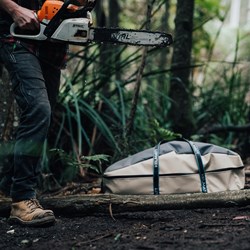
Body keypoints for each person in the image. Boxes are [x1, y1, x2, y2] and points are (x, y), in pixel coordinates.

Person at [0, 0, 89, 226]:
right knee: (38, 108)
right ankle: (22, 199)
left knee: (41, 116)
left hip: (53, 40)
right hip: (16, 34)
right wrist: (14, 8)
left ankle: (7, 187)